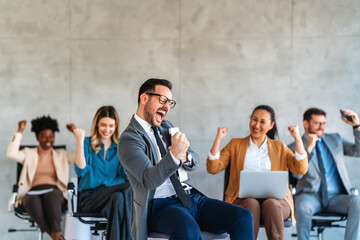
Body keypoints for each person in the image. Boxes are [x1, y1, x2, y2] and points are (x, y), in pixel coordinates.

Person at [118, 78, 254, 240]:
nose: (167, 106)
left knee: (243, 217)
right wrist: (174, 155)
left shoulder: (167, 126)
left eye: (170, 102)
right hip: (161, 205)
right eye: (162, 100)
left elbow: (194, 160)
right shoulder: (129, 139)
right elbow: (149, 180)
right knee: (189, 232)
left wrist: (185, 156)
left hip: (192, 198)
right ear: (144, 98)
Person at [207, 105, 309, 240]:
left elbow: (300, 169)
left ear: (271, 125)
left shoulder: (279, 146)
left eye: (262, 122)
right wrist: (218, 139)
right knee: (251, 204)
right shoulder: (235, 144)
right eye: (254, 120)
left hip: (278, 202)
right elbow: (213, 168)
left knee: (271, 204)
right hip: (242, 201)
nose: (257, 125)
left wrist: (297, 138)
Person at [288, 107, 360, 240]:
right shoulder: (294, 147)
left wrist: (357, 126)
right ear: (306, 123)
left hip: (336, 197)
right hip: (309, 196)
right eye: (317, 123)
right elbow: (296, 175)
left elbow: (358, 151)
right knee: (302, 207)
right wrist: (308, 149)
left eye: (324, 123)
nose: (321, 127)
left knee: (357, 202)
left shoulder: (335, 139)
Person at [67, 105, 131, 240]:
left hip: (113, 199)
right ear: (97, 124)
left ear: (116, 127)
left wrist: (129, 153)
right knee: (131, 188)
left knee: (118, 199)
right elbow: (81, 170)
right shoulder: (86, 143)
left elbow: (126, 175)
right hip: (90, 199)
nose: (107, 130)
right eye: (103, 125)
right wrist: (79, 140)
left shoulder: (121, 146)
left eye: (111, 126)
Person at [7, 116, 74, 240]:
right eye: (44, 135)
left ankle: (55, 236)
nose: (48, 139)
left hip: (55, 192)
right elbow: (11, 154)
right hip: (33, 192)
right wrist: (19, 131)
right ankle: (57, 237)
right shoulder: (29, 153)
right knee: (29, 200)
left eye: (51, 135)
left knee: (51, 197)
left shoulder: (61, 154)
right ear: (38, 137)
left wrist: (76, 134)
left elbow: (80, 157)